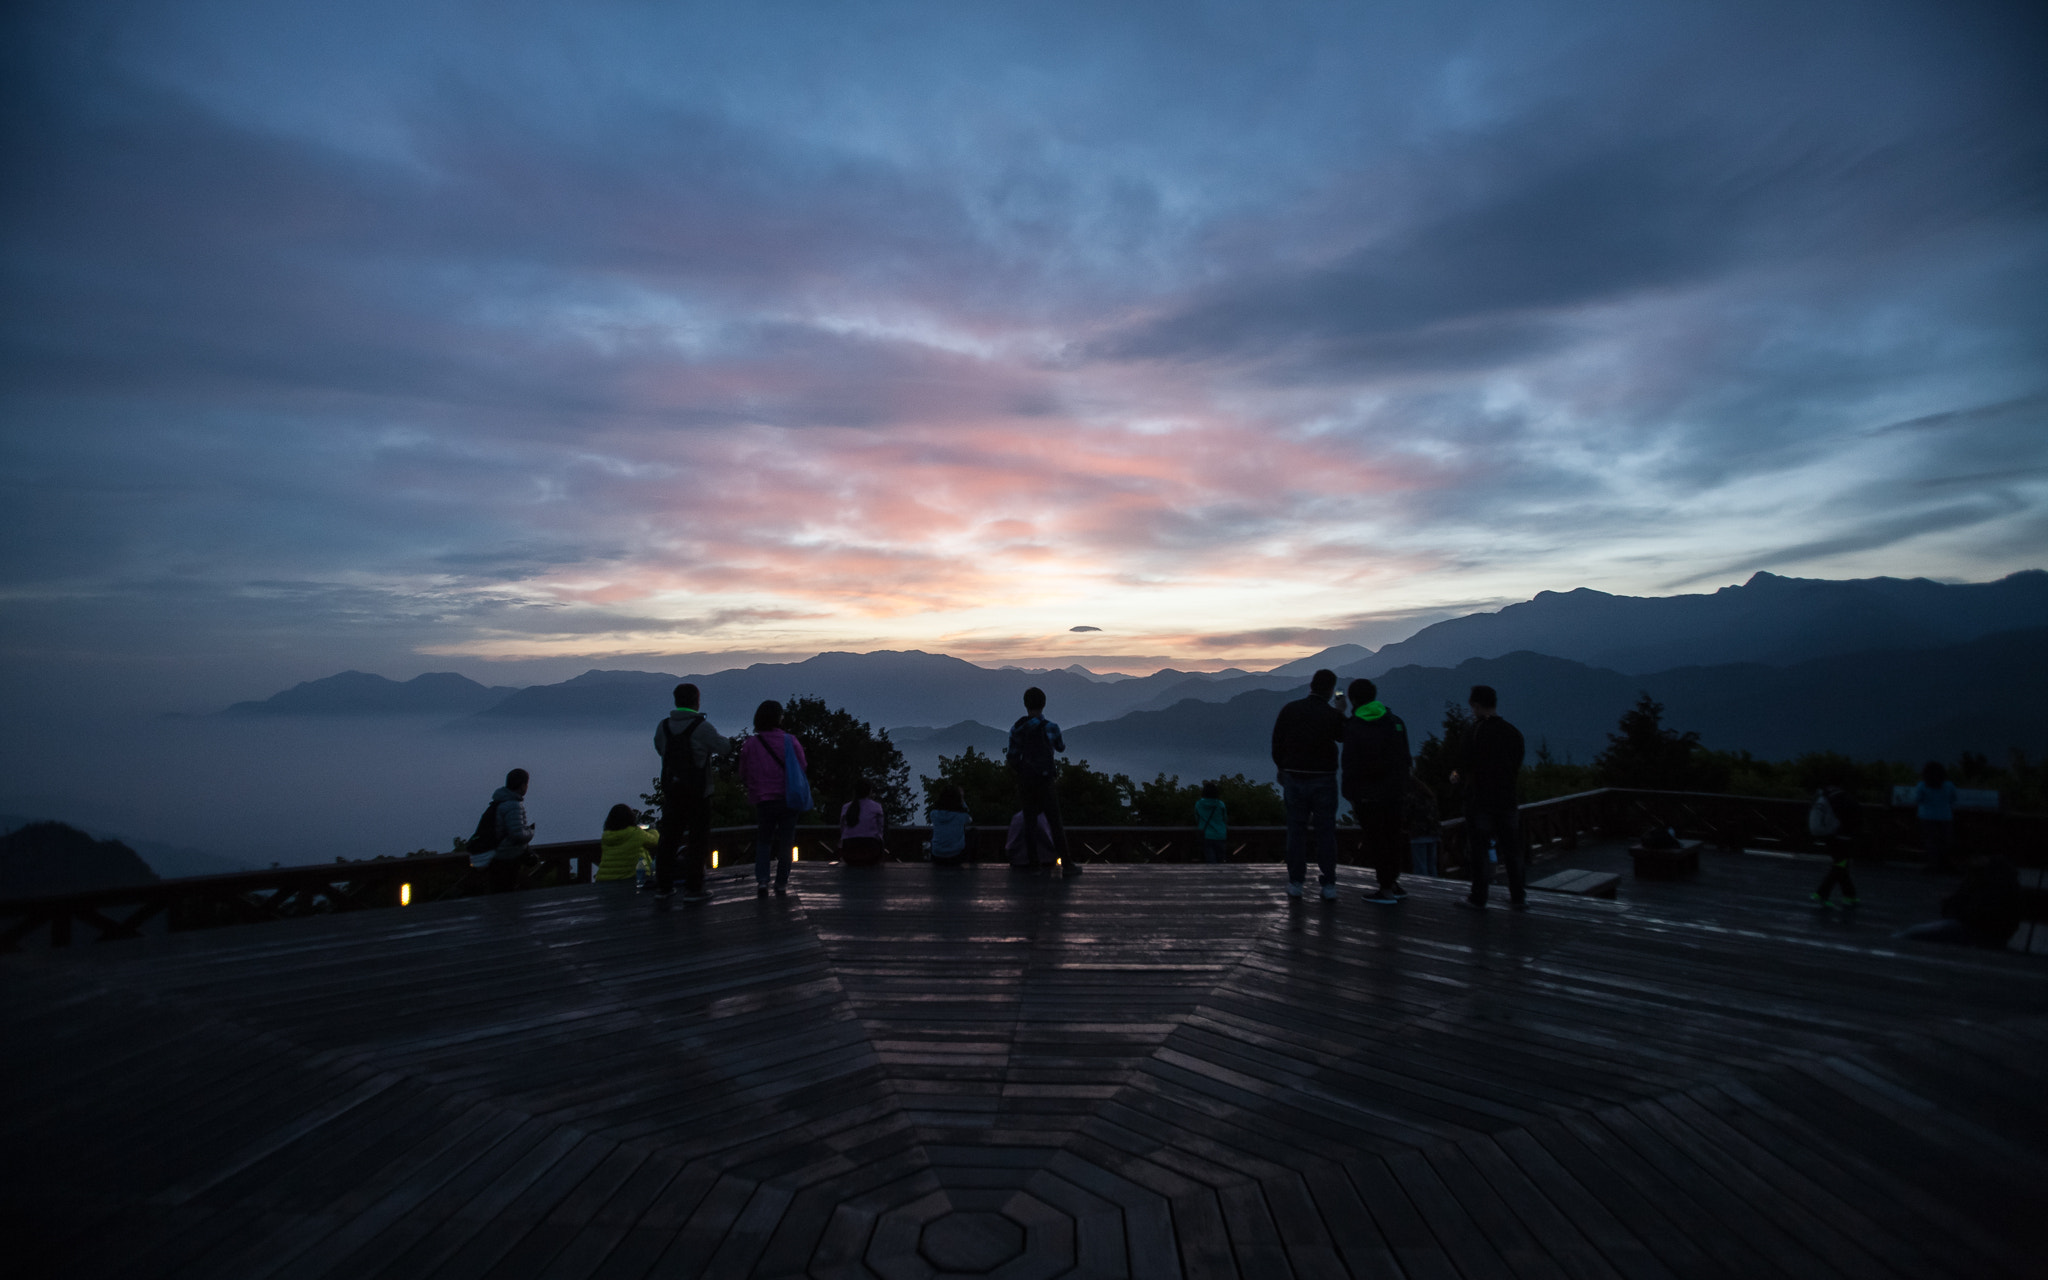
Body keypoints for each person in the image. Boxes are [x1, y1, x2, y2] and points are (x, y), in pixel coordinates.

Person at [653, 683, 732, 904]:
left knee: (668, 839)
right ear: (696, 700)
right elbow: (724, 748)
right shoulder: (702, 727)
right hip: (699, 792)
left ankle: (663, 887)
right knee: (698, 840)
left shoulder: (663, 727)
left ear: (676, 700)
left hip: (672, 791)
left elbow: (660, 749)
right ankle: (694, 889)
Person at [1271, 668, 1345, 901]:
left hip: (1293, 777)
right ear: (1331, 690)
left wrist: (1282, 767)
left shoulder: (1290, 709)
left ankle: (1296, 882)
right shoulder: (1331, 714)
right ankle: (1328, 884)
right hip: (1324, 778)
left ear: (1311, 685)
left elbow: (1277, 742)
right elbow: (1344, 736)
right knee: (1326, 832)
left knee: (1296, 830)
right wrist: (1341, 711)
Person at [1452, 685, 1526, 911]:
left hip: (1480, 801)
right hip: (1507, 799)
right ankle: (1518, 897)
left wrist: (1456, 777)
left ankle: (1478, 897)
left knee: (1479, 850)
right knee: (1512, 850)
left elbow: (1464, 764)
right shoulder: (1513, 733)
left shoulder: (1474, 732)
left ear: (1475, 704)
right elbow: (1516, 765)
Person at [1342, 679, 1411, 905]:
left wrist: (1349, 793)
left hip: (1368, 795)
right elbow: (1405, 759)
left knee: (1377, 840)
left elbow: (1350, 763)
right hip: (1395, 793)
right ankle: (1393, 883)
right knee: (1393, 837)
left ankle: (1385, 889)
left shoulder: (1354, 726)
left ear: (1353, 699)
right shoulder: (1395, 721)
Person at [738, 700, 808, 896]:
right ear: (778, 718)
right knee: (786, 842)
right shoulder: (790, 740)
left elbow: (743, 772)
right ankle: (781, 883)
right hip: (788, 799)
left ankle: (762, 881)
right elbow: (802, 766)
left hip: (763, 799)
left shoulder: (751, 743)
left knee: (764, 840)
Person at [1006, 687, 1075, 875]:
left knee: (1029, 822)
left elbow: (1012, 756)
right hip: (1046, 780)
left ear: (1025, 704)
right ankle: (1067, 865)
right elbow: (1060, 748)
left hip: (1026, 780)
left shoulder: (1016, 728)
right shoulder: (1050, 727)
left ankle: (1034, 865)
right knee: (1055, 822)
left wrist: (1022, 771)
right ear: (1043, 704)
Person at [1894, 854, 2022, 948]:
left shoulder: (1992, 879)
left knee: (1913, 933)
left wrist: (1955, 908)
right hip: (1980, 929)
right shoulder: (1987, 875)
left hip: (1980, 932)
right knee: (1916, 931)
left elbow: (1978, 911)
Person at [470, 768, 535, 893]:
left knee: (498, 892)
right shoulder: (513, 805)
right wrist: (531, 832)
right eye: (526, 784)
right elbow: (517, 834)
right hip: (507, 857)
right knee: (506, 893)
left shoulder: (500, 802)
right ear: (522, 785)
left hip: (496, 856)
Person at [1809, 784, 1863, 908]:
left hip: (1831, 834)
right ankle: (1822, 894)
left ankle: (1849, 895)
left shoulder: (1823, 798)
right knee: (1840, 866)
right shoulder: (1844, 797)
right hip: (1843, 835)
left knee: (1842, 865)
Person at [1914, 760, 1959, 872]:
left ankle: (1933, 865)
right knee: (1945, 841)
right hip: (1945, 817)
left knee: (1931, 842)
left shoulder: (1922, 786)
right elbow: (1953, 799)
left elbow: (1917, 800)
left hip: (1927, 817)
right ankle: (1946, 864)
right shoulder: (1949, 785)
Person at [597, 803, 658, 884]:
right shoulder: (636, 833)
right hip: (631, 879)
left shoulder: (606, 836)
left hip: (604, 880)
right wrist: (653, 830)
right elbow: (656, 841)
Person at [840, 779, 887, 866]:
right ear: (869, 791)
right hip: (871, 853)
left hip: (849, 853)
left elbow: (842, 828)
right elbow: (880, 830)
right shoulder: (876, 807)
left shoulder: (846, 807)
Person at [928, 784, 972, 866]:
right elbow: (969, 817)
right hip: (956, 856)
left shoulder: (933, 814)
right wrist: (962, 799)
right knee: (973, 833)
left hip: (937, 855)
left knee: (932, 833)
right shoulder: (962, 816)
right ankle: (972, 863)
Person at [1194, 781, 1228, 864]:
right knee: (1221, 859)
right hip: (1220, 834)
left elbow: (1196, 818)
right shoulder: (1220, 804)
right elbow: (1225, 818)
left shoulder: (1198, 804)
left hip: (1206, 835)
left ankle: (1213, 875)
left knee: (1210, 860)